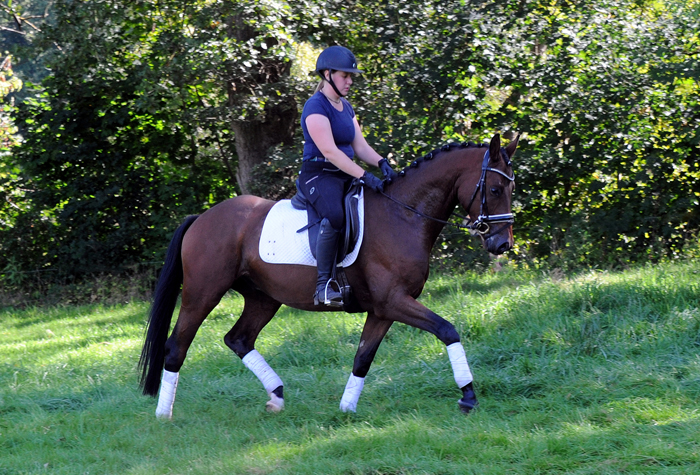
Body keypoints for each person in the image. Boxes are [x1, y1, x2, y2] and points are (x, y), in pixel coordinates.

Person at [298, 45, 397, 307]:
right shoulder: (315, 106)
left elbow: (359, 147)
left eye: (351, 76)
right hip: (318, 176)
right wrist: (365, 175)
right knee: (336, 215)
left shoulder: (346, 107)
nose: (350, 81)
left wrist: (381, 163)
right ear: (328, 74)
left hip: (344, 174)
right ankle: (323, 287)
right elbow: (330, 151)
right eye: (345, 75)